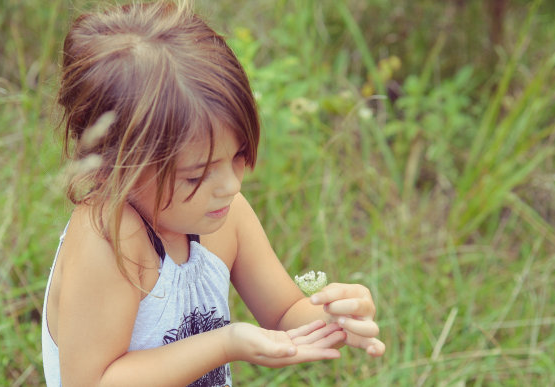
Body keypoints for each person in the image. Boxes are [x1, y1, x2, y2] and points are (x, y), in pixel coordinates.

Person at [41, 1, 385, 386]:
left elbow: (286, 311)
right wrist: (223, 345)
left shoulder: (225, 214)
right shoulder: (110, 239)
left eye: (238, 155)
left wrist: (334, 319)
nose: (231, 186)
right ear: (119, 166)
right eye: (196, 176)